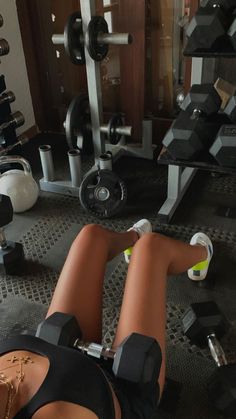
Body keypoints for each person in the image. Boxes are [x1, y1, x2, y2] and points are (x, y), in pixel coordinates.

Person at [0, 219, 213, 419]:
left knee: (91, 236)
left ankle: (132, 237)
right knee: (153, 248)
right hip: (124, 392)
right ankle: (203, 255)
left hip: (61, 352)